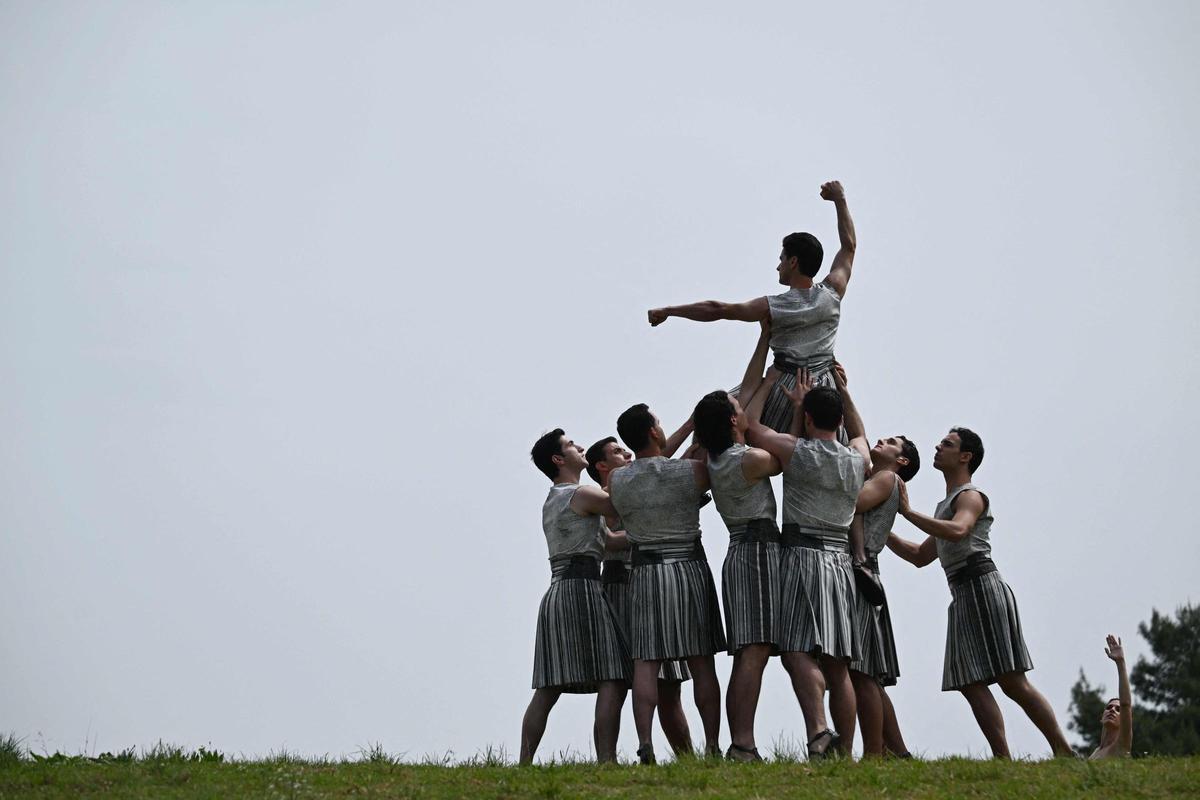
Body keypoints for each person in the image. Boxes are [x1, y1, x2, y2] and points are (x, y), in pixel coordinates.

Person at [886, 428, 1075, 758]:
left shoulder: (970, 496)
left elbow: (959, 530)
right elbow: (920, 556)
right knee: (969, 681)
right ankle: (1003, 758)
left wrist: (907, 512)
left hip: (981, 585)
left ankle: (1063, 750)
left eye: (947, 444)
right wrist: (880, 529)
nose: (937, 447)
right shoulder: (945, 504)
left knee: (1012, 681)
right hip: (961, 592)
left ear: (965, 456)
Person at [647, 180, 857, 433]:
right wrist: (840, 200)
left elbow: (718, 309)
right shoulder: (832, 292)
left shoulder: (774, 307)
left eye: (781, 259)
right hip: (825, 389)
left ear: (792, 261)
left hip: (783, 385)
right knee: (846, 442)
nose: (777, 266)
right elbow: (849, 247)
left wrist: (669, 311)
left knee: (714, 418)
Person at [745, 367, 870, 759]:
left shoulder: (796, 450)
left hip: (802, 555)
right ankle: (844, 752)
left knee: (798, 650)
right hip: (841, 561)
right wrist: (844, 393)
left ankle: (819, 733)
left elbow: (751, 427)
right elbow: (862, 434)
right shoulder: (857, 461)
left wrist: (788, 401)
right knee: (838, 663)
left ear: (811, 418)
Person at [609, 404, 726, 764]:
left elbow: (652, 464)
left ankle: (645, 742)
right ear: (654, 432)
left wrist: (686, 429)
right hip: (688, 567)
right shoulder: (691, 472)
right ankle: (711, 744)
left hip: (644, 571)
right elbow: (678, 464)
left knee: (646, 661)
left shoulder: (617, 480)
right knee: (701, 661)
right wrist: (697, 428)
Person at [520, 429, 631, 765]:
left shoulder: (556, 498)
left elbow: (610, 540)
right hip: (581, 589)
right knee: (612, 676)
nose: (580, 446)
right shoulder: (580, 493)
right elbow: (619, 503)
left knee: (550, 685)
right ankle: (607, 761)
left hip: (562, 589)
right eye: (570, 445)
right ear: (558, 459)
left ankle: (524, 763)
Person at [586, 434, 695, 757]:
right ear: (602, 466)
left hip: (646, 582)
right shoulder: (603, 496)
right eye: (618, 451)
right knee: (617, 682)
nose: (627, 453)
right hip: (621, 588)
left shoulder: (631, 485)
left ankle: (687, 759)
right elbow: (605, 541)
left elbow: (662, 463)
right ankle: (610, 759)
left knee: (669, 686)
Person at [843, 390, 920, 757]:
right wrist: (844, 391)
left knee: (862, 671)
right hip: (864, 570)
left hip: (862, 571)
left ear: (901, 460)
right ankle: (897, 751)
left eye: (891, 442)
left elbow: (853, 502)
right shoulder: (880, 475)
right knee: (866, 672)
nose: (880, 441)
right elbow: (858, 430)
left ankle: (874, 752)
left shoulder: (887, 480)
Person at [1090, 634, 1133, 759]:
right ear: (1101, 717)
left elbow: (1126, 704)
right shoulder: (1095, 753)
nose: (1112, 710)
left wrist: (1120, 663)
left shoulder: (1121, 747)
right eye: (1109, 707)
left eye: (1118, 710)